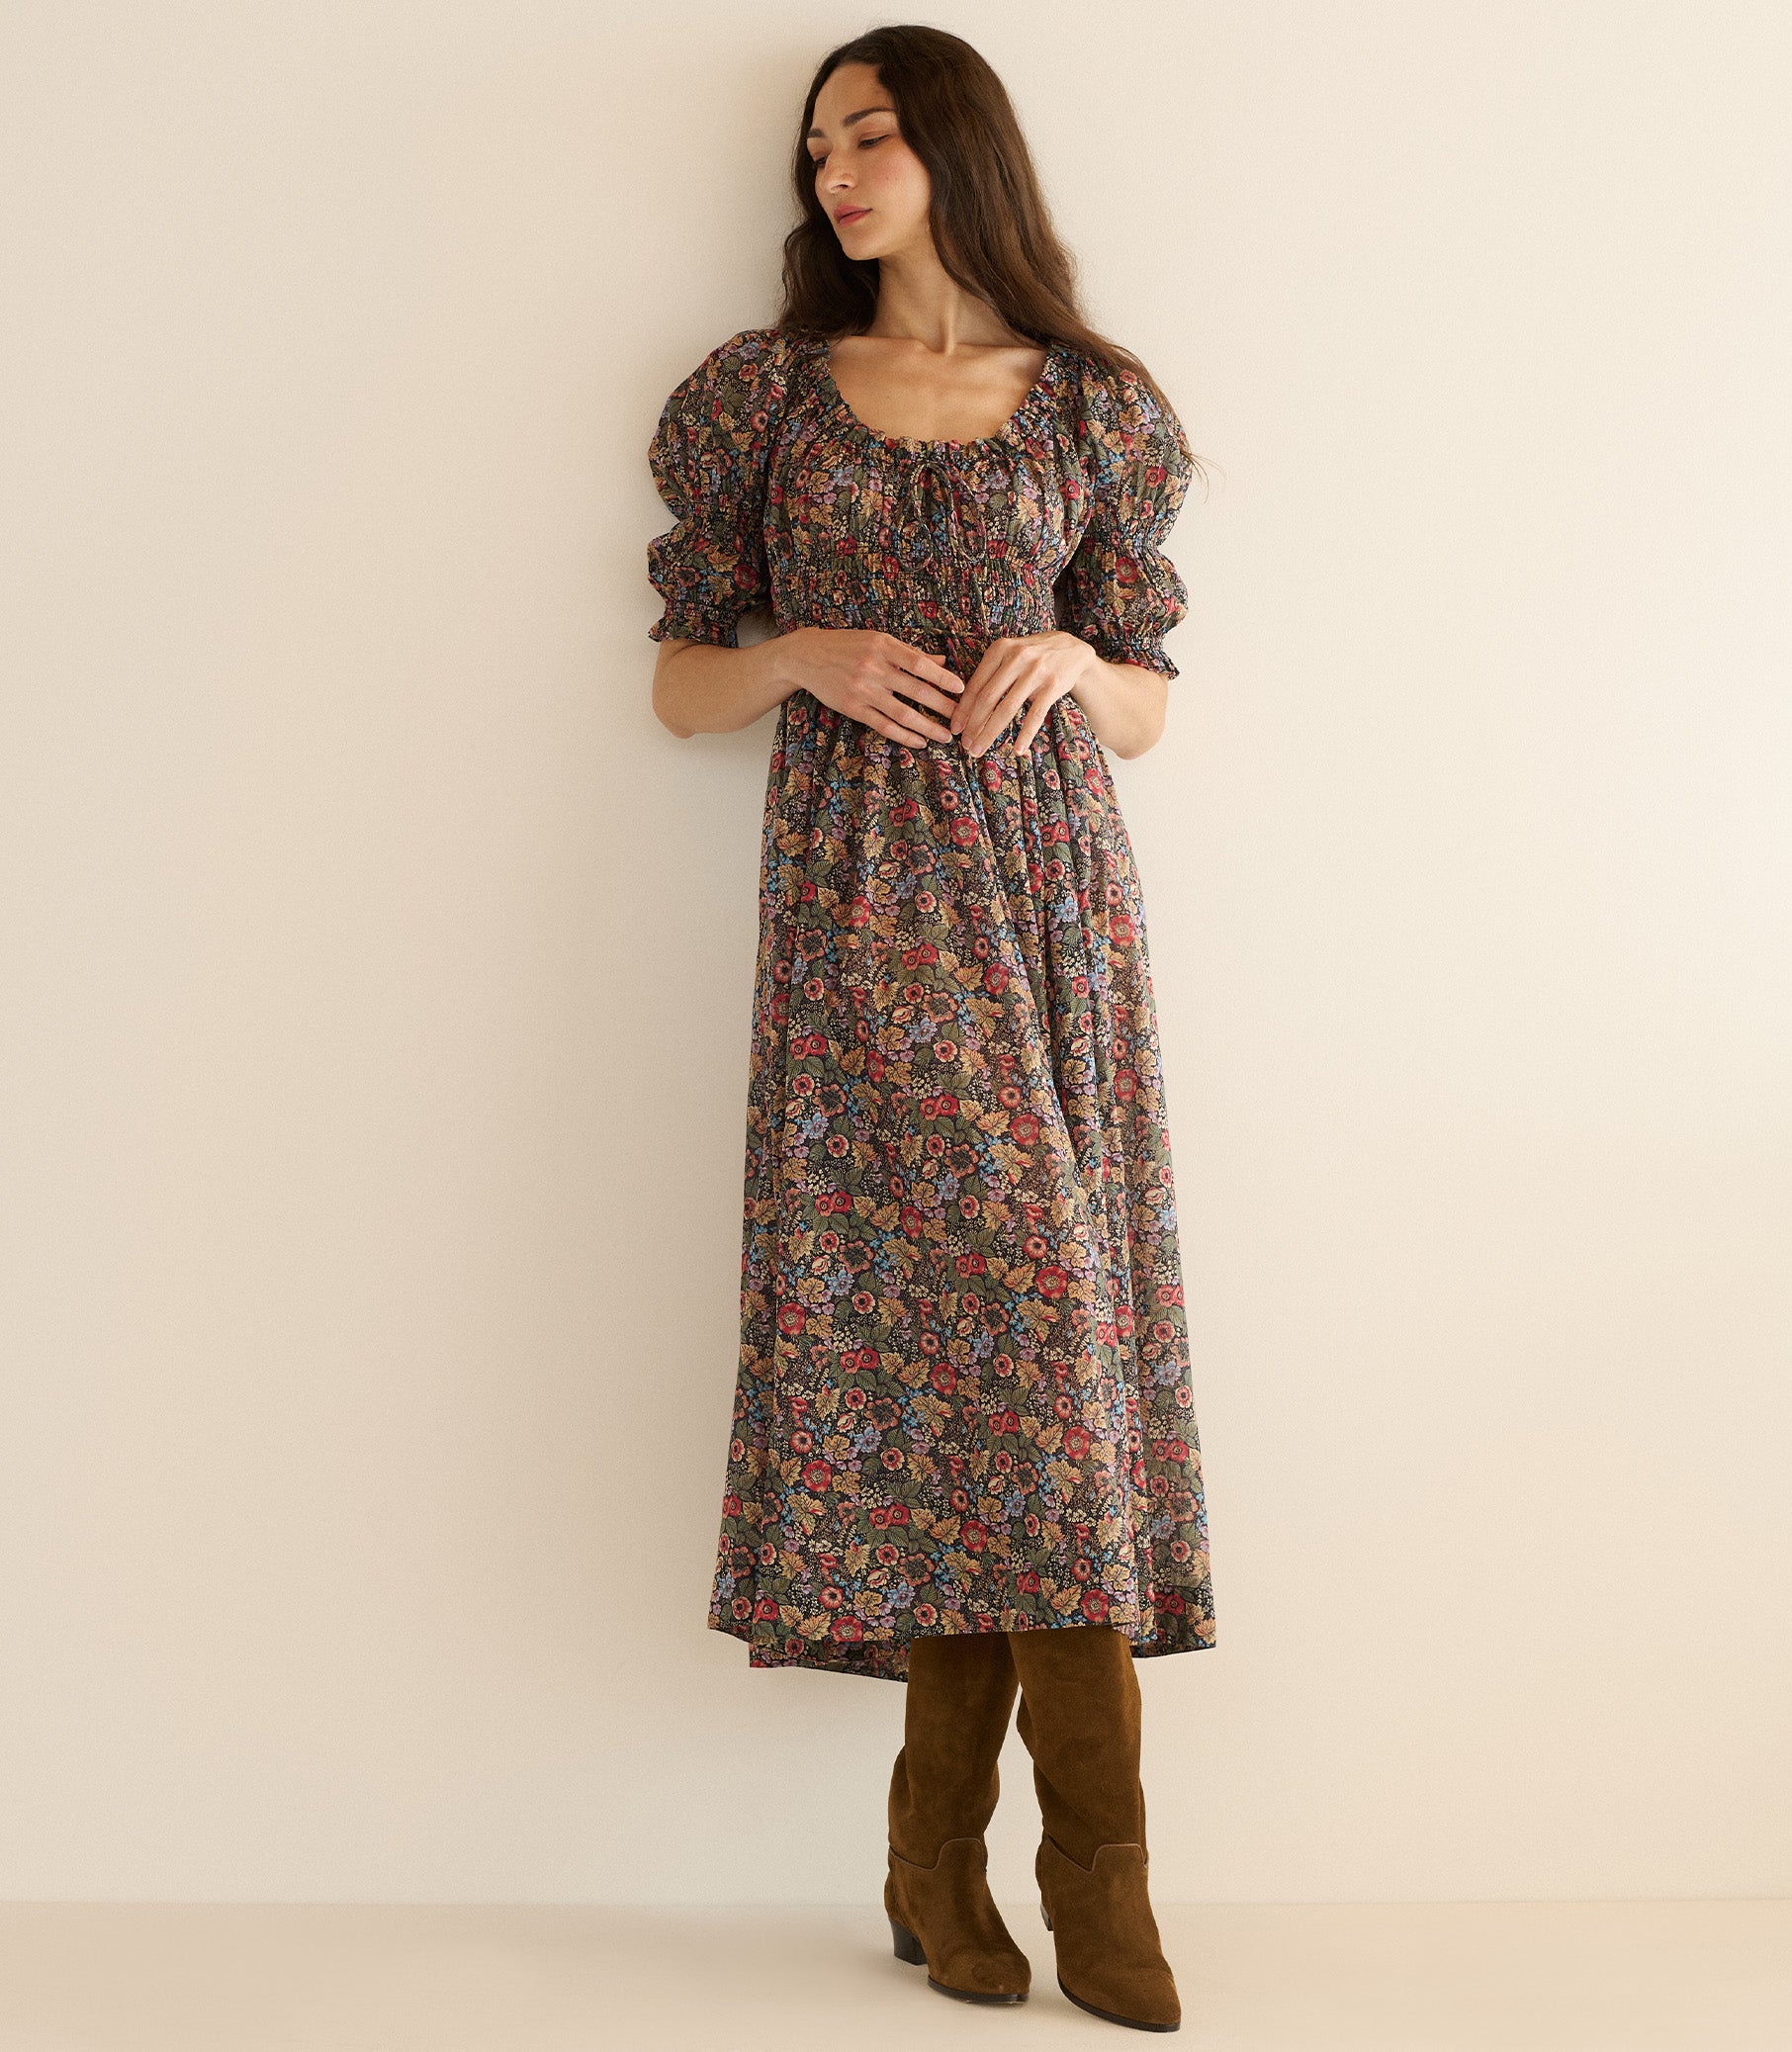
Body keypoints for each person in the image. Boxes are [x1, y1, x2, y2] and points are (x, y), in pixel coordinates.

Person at [645, 25, 1214, 2033]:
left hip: (1054, 919)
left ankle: (983, 1860)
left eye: (872, 133)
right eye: (818, 148)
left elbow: (1149, 695)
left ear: (960, 149)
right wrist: (795, 649)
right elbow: (679, 693)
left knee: (1046, 1370)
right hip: (863, 930)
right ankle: (1045, 1886)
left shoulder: (1092, 410)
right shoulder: (764, 404)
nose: (838, 173)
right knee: (992, 1380)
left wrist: (1074, 656)